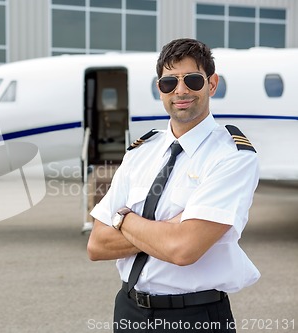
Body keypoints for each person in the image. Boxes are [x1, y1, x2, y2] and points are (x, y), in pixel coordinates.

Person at [87, 38, 260, 332]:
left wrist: (122, 218)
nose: (180, 90)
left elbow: (183, 249)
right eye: (169, 82)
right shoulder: (140, 152)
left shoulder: (232, 156)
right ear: (160, 89)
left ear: (212, 84)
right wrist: (170, 226)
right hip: (129, 311)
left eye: (192, 80)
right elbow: (97, 245)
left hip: (194, 316)